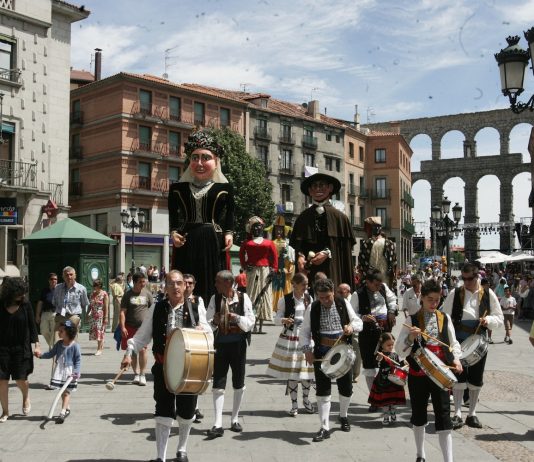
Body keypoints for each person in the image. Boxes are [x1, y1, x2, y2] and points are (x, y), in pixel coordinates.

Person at [121, 270, 210, 462]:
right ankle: (160, 457)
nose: (176, 287)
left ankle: (182, 451)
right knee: (163, 410)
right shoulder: (158, 308)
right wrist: (130, 353)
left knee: (187, 411)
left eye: (179, 283)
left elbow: (208, 333)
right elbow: (142, 335)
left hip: (189, 368)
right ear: (165, 287)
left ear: (185, 286)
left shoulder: (195, 307)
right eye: (171, 283)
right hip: (162, 367)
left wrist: (203, 331)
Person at [396, 280, 462, 462]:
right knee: (418, 415)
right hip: (418, 374)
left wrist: (456, 358)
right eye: (430, 300)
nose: (434, 304)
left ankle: (448, 460)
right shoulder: (412, 320)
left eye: (437, 300)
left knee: (443, 417)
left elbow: (453, 343)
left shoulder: (444, 318)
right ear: (421, 298)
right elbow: (399, 350)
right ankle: (420, 455)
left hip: (440, 373)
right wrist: (410, 337)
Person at [168, 129, 235, 304]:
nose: (199, 162)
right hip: (186, 240)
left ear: (216, 161)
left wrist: (229, 232)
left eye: (206, 158)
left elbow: (230, 213)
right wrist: (173, 233)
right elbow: (173, 216)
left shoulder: (225, 188)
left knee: (212, 280)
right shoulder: (177, 189)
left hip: (213, 239)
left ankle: (213, 315)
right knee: (185, 279)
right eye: (195, 157)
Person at [299, 278, 362, 442]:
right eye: (321, 297)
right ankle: (324, 426)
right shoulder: (312, 308)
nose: (325, 300)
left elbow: (358, 322)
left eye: (328, 296)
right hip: (321, 352)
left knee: (346, 388)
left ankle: (343, 416)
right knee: (322, 391)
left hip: (342, 352)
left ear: (333, 292)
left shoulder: (343, 303)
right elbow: (304, 332)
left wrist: (351, 327)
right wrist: (307, 350)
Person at [442, 262, 503, 429]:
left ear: (477, 277)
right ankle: (457, 414)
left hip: (479, 340)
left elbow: (499, 318)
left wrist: (488, 320)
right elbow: (443, 315)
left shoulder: (488, 294)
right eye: (464, 278)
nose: (466, 282)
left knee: (476, 378)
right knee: (458, 376)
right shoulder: (455, 293)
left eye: (470, 279)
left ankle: (472, 414)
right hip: (458, 340)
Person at [206, 270, 255, 438]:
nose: (215, 284)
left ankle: (234, 419)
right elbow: (207, 325)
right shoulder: (215, 298)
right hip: (220, 345)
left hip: (239, 345)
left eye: (218, 282)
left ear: (228, 283)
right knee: (218, 383)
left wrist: (236, 318)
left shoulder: (243, 298)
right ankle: (217, 422)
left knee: (238, 382)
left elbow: (250, 323)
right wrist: (214, 321)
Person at [289, 172, 355, 288]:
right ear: (310, 191)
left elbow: (344, 250)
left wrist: (327, 253)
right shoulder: (303, 218)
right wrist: (300, 256)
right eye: (314, 186)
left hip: (332, 270)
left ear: (330, 188)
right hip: (309, 272)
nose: (318, 189)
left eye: (322, 185)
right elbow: (298, 244)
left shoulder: (341, 218)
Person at [266, 273, 315, 416]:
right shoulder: (285, 299)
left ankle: (306, 400)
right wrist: (284, 320)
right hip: (291, 337)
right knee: (293, 371)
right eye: (304, 284)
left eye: (307, 284)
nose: (306, 286)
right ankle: (294, 404)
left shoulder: (309, 298)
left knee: (307, 372)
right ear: (295, 284)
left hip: (306, 336)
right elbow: (276, 319)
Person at [350, 269, 398, 401]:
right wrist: (363, 317)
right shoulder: (357, 294)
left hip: (384, 329)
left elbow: (393, 299)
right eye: (375, 285)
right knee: (370, 364)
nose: (378, 287)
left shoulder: (383, 288)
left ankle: (386, 395)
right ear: (368, 282)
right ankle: (374, 398)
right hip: (367, 333)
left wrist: (392, 311)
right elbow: (351, 314)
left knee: (387, 361)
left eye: (379, 284)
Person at [0, 277, 40, 422]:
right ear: (11, 292)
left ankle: (25, 396)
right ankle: (5, 411)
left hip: (20, 347)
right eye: (20, 292)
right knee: (1, 381)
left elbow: (32, 325)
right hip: (2, 348)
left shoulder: (25, 304)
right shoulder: (1, 304)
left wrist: (37, 344)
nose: (23, 295)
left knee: (20, 379)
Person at [35, 320, 81, 423]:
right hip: (60, 371)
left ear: (69, 333)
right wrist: (41, 355)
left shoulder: (75, 346)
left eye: (61, 331)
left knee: (66, 393)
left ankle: (63, 412)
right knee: (62, 392)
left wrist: (76, 372)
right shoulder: (59, 344)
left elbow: (78, 360)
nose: (59, 333)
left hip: (70, 373)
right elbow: (51, 353)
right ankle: (67, 407)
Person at [239, 216, 278, 333]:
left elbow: (274, 257)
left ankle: (261, 324)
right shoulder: (247, 243)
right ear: (251, 229)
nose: (257, 229)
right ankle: (253, 323)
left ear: (262, 228)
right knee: (251, 295)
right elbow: (241, 255)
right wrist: (245, 265)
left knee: (264, 294)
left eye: (259, 227)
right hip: (252, 271)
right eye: (254, 227)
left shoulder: (269, 243)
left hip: (265, 271)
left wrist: (274, 270)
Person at [120, 271, 154, 386]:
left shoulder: (147, 294)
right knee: (133, 351)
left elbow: (153, 310)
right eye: (140, 282)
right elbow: (122, 312)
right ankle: (136, 374)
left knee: (143, 349)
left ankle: (143, 374)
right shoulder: (127, 295)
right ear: (134, 282)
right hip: (130, 327)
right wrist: (123, 327)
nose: (143, 284)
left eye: (144, 281)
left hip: (143, 328)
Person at [368, 332, 406, 425]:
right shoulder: (380, 355)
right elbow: (376, 364)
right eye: (388, 345)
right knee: (385, 401)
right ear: (382, 345)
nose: (391, 346)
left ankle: (393, 413)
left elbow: (400, 364)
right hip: (383, 380)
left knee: (392, 401)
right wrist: (379, 358)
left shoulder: (395, 355)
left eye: (392, 344)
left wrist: (404, 363)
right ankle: (385, 416)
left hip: (394, 380)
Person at [183, 273, 206, 423]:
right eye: (185, 283)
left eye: (190, 283)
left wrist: (201, 326)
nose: (188, 285)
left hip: (194, 340)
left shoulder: (198, 300)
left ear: (194, 285)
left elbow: (203, 319)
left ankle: (195, 407)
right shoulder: (175, 299)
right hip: (179, 341)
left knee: (194, 375)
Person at [358, 216, 398, 292]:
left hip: (370, 287)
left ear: (372, 229)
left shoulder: (366, 244)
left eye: (367, 228)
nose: (365, 231)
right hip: (386, 287)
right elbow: (394, 267)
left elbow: (361, 267)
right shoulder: (390, 244)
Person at [52, 266, 89, 338]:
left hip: (73, 316)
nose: (69, 277)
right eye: (66, 275)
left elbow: (84, 304)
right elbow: (54, 302)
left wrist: (85, 315)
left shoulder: (81, 289)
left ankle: (72, 346)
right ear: (63, 276)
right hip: (61, 316)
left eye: (71, 274)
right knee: (56, 339)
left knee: (70, 337)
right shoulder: (58, 288)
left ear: (75, 276)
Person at [269, 215, 295, 312]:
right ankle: (273, 308)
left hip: (285, 272)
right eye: (277, 229)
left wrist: (288, 269)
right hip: (274, 271)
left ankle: (286, 309)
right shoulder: (271, 243)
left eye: (281, 230)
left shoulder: (288, 245)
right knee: (273, 289)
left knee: (286, 291)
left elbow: (291, 260)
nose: (279, 232)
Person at [337, 283, 362, 383]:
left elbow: (359, 314)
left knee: (356, 350)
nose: (338, 293)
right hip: (343, 329)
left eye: (341, 292)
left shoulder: (354, 299)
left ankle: (356, 374)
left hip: (354, 328)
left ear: (347, 291)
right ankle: (345, 373)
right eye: (338, 291)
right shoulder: (338, 300)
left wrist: (352, 325)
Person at [35, 272, 58, 350]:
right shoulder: (45, 290)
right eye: (52, 279)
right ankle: (52, 345)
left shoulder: (59, 290)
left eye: (55, 279)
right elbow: (40, 303)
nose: (54, 280)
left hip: (55, 313)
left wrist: (63, 314)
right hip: (45, 313)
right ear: (49, 280)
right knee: (43, 331)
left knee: (54, 332)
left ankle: (52, 347)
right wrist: (37, 315)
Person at [88, 278, 109, 355]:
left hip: (100, 315)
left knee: (99, 331)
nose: (94, 287)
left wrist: (106, 317)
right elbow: (90, 305)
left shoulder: (104, 294)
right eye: (94, 285)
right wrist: (87, 313)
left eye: (96, 285)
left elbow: (106, 306)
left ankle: (99, 349)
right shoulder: (92, 294)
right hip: (93, 315)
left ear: (100, 285)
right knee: (95, 331)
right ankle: (101, 344)